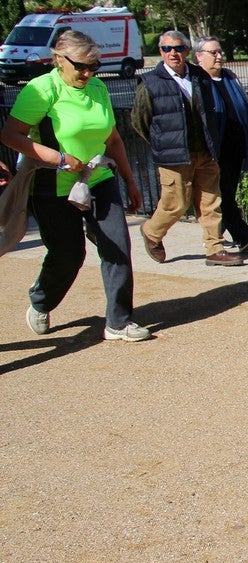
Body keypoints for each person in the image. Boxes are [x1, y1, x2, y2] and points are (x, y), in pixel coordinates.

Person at [2, 29, 149, 342]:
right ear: (58, 59)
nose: (88, 72)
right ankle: (41, 300)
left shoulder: (97, 88)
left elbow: (112, 138)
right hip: (51, 184)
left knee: (118, 247)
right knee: (69, 255)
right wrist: (58, 158)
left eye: (93, 66)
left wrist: (129, 179)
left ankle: (119, 323)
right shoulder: (41, 89)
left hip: (98, 177)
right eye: (81, 66)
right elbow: (10, 135)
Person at [132, 30, 242, 266]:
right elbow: (139, 121)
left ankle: (215, 249)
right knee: (176, 204)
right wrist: (162, 143)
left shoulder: (199, 76)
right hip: (174, 156)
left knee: (212, 201)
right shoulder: (150, 82)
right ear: (161, 52)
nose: (173, 53)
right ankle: (151, 232)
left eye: (179, 48)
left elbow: (208, 111)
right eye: (167, 49)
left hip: (205, 151)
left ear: (187, 51)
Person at [195, 36, 248, 254]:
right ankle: (241, 236)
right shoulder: (198, 81)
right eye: (213, 53)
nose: (219, 56)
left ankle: (217, 233)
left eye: (220, 51)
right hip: (214, 150)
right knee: (222, 193)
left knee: (227, 192)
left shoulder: (230, 78)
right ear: (199, 56)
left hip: (237, 147)